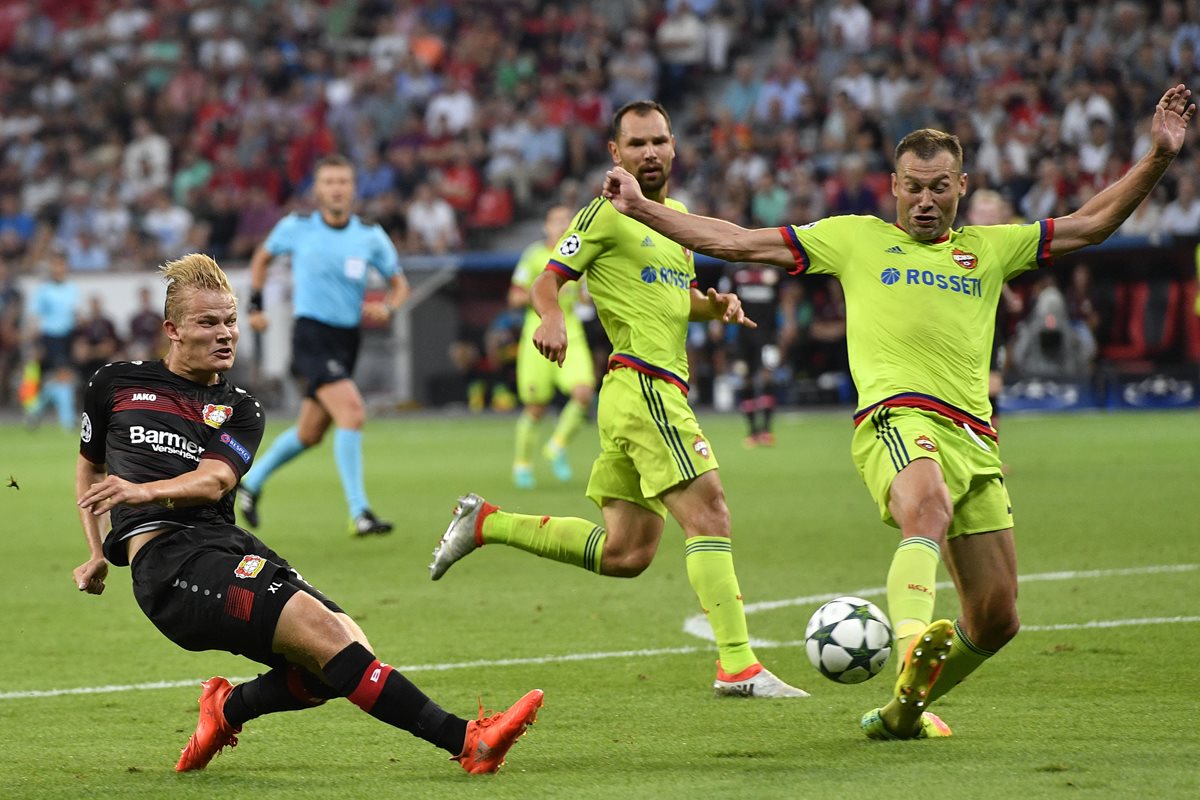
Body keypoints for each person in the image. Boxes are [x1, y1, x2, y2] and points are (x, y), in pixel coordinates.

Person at [599, 86, 1195, 737]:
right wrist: (642, 210)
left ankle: (902, 712)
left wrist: (1159, 156)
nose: (925, 200)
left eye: (939, 187)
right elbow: (738, 241)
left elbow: (1092, 223)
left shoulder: (990, 249)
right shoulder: (855, 240)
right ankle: (911, 646)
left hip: (974, 437)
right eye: (913, 186)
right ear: (893, 186)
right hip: (896, 418)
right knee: (927, 506)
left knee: (997, 616)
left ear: (961, 185)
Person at [72, 253, 542, 774]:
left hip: (225, 543)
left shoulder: (241, 408)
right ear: (173, 330)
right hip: (169, 566)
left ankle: (226, 709)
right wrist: (96, 553)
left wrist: (142, 491)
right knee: (331, 644)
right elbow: (89, 470)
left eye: (230, 320)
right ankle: (469, 741)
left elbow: (216, 481)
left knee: (345, 656)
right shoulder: (114, 383)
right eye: (209, 322)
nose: (226, 333)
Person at [430, 101, 806, 699]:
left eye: (659, 141)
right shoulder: (605, 213)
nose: (649, 153)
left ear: (675, 146)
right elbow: (546, 278)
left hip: (640, 391)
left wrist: (715, 306)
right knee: (709, 512)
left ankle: (486, 523)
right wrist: (551, 317)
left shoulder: (676, 219)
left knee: (627, 553)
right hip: (643, 384)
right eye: (636, 144)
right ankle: (737, 665)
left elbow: (675, 297)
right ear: (616, 153)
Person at [237, 154, 410, 537]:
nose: (336, 188)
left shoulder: (370, 235)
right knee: (352, 413)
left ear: (353, 188)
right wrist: (255, 305)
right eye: (329, 181)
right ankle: (359, 512)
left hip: (347, 339)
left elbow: (399, 284)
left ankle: (250, 483)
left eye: (343, 182)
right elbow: (262, 257)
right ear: (317, 189)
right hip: (311, 336)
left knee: (311, 432)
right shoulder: (297, 227)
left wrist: (388, 307)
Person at [508, 205, 596, 488]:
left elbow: (585, 298)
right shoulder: (535, 256)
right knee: (536, 406)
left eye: (566, 221)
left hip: (572, 333)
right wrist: (543, 295)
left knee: (583, 392)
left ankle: (556, 446)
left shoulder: (579, 257)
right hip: (539, 334)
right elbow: (515, 296)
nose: (561, 225)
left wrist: (586, 297)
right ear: (546, 226)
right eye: (555, 221)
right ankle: (522, 464)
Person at [26, 252, 79, 429]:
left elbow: (74, 315)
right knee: (62, 377)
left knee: (58, 380)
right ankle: (67, 421)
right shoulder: (44, 290)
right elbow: (35, 318)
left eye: (61, 265)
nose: (58, 269)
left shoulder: (72, 289)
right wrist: (35, 345)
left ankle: (34, 413)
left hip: (67, 337)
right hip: (49, 337)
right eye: (55, 265)